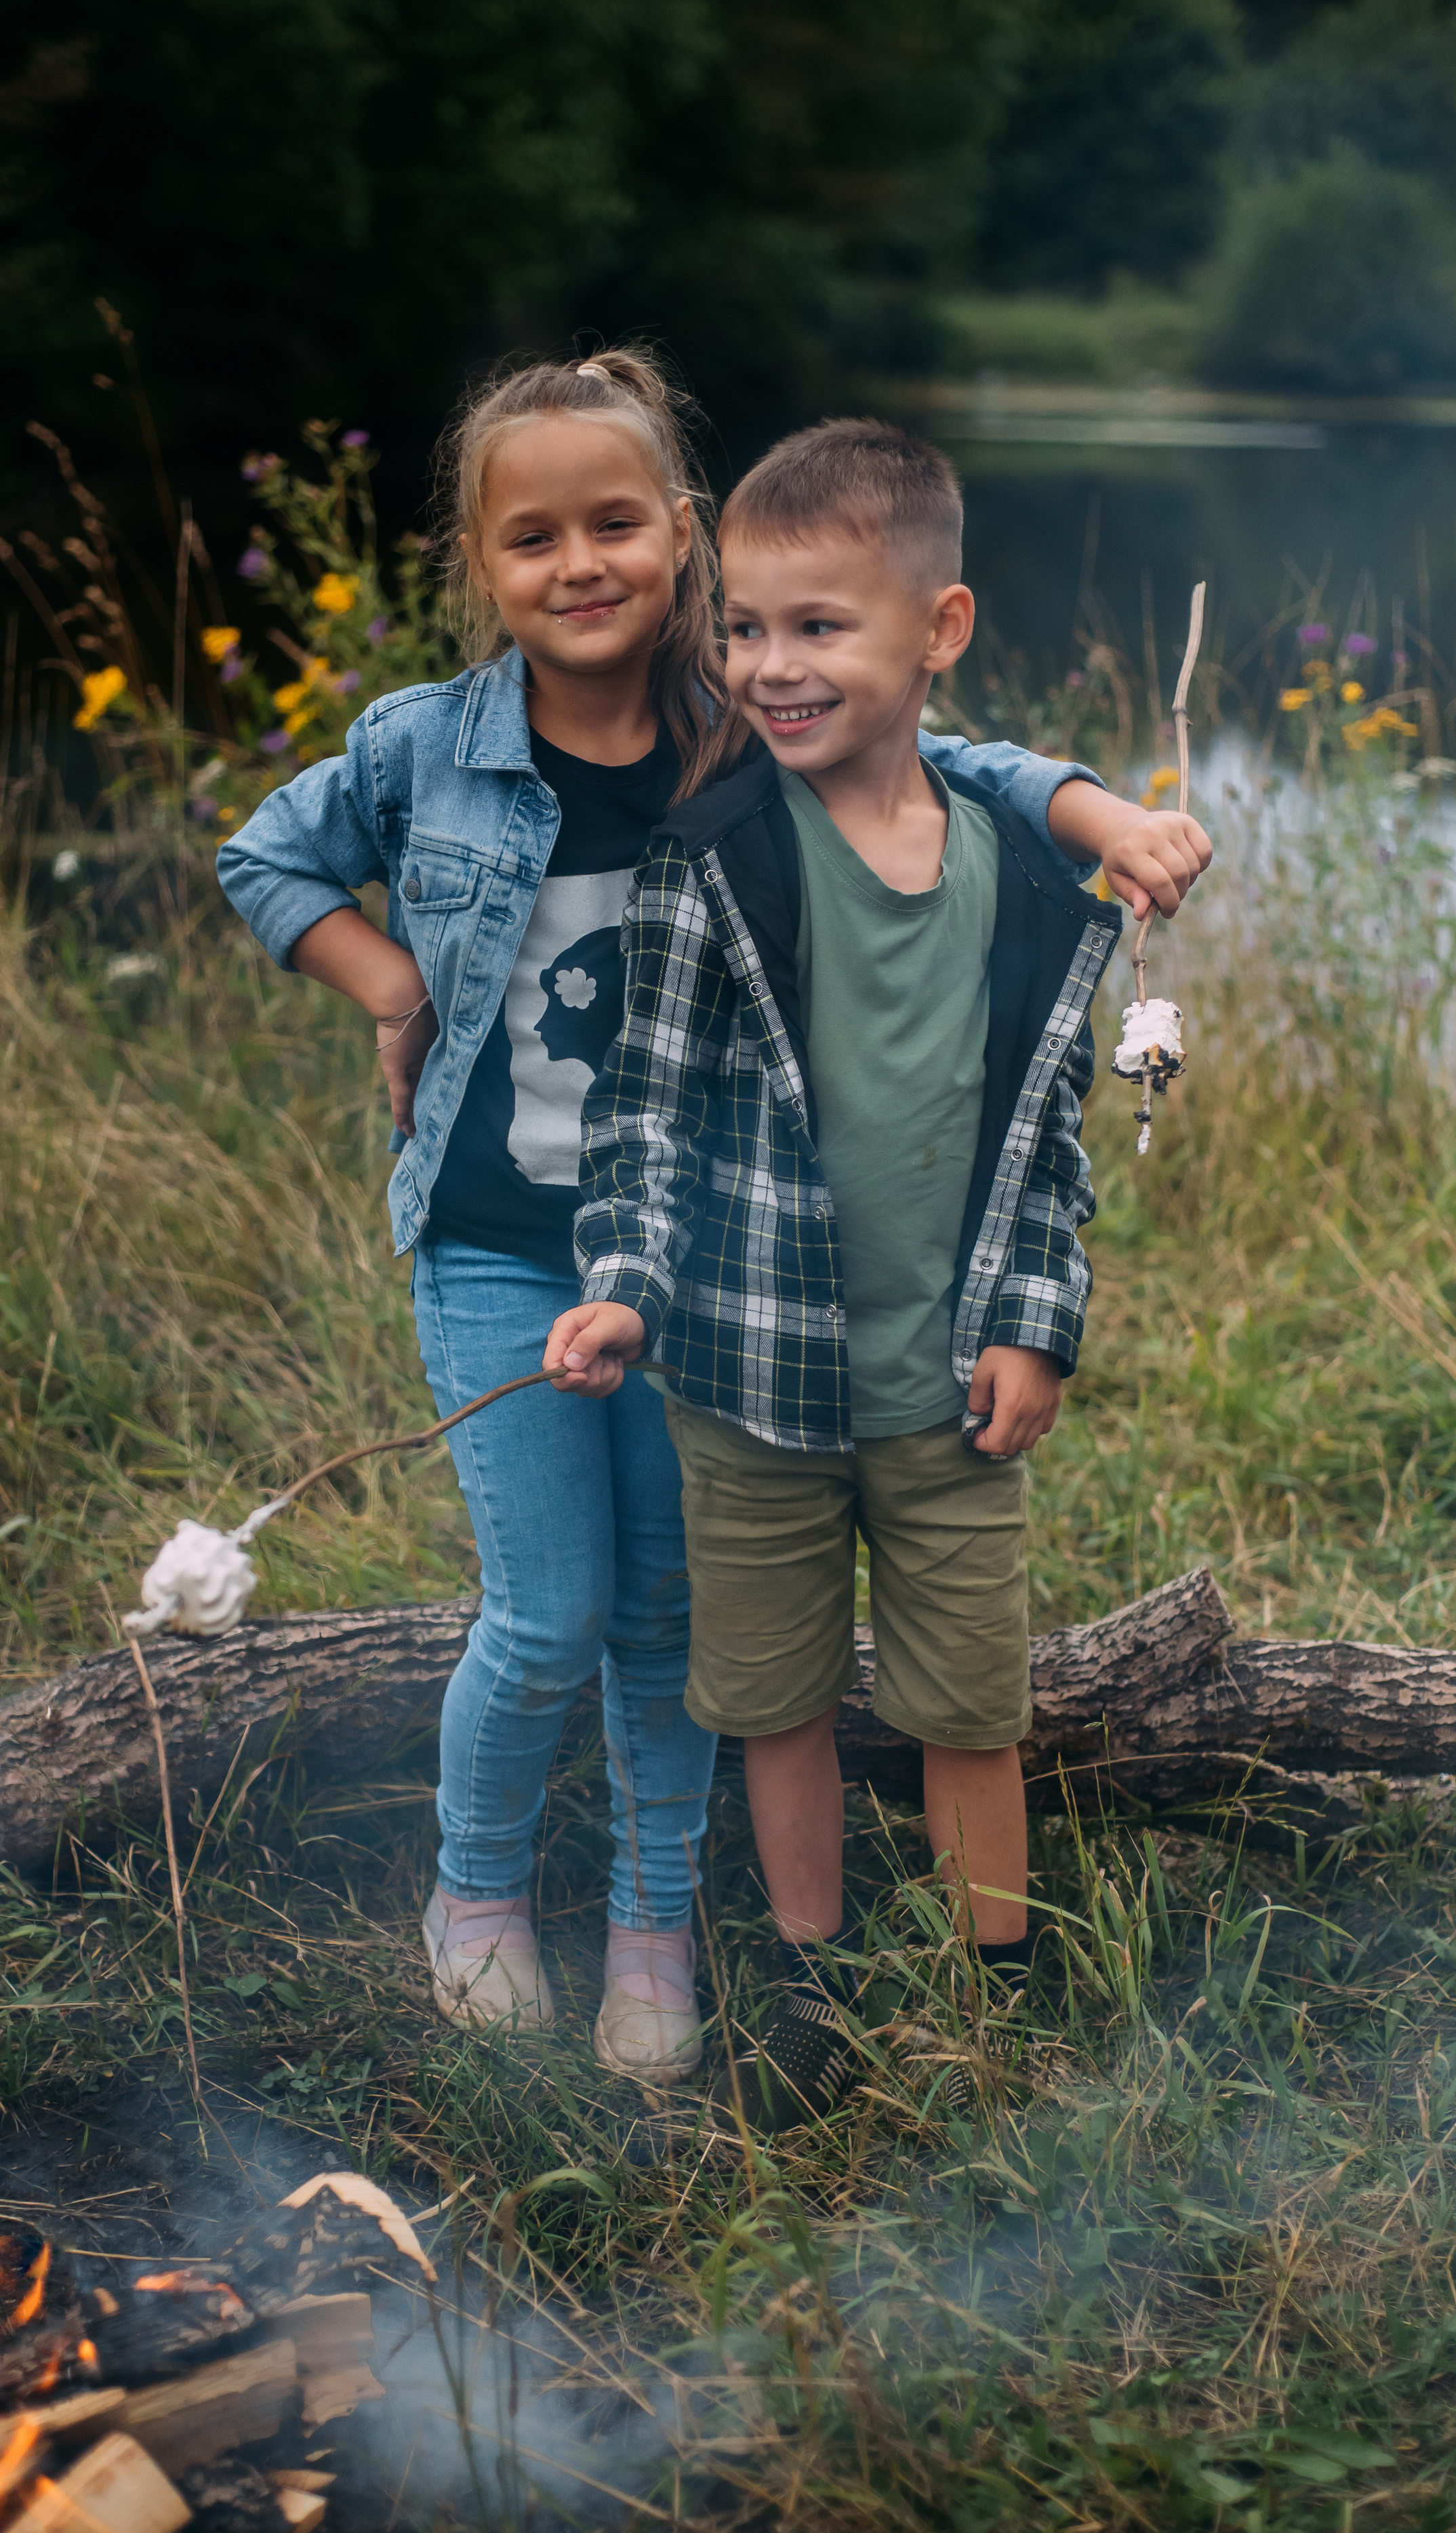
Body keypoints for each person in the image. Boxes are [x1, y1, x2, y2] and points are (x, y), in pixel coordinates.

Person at [220, 357, 1201, 2092]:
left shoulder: (741, 719)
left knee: (674, 1610)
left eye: (616, 524)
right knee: (545, 1612)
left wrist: (1100, 809)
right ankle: (474, 1894)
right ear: (478, 559)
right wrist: (395, 984)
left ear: (678, 540)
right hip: (495, 1236)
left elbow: (949, 749)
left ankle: (658, 1920)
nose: (578, 563)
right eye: (532, 537)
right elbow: (265, 858)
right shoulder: (425, 745)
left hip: (703, 1255)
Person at [544, 416, 1211, 2129]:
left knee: (964, 1704)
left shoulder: (1024, 889)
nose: (770, 667)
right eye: (746, 628)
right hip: (751, 1388)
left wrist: (1037, 1332)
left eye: (820, 628)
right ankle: (809, 1985)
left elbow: (1048, 1154)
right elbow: (642, 1117)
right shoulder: (716, 861)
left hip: (950, 1397)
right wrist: (624, 1281)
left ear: (940, 630)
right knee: (773, 1704)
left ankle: (988, 1994)